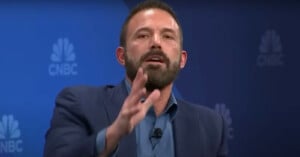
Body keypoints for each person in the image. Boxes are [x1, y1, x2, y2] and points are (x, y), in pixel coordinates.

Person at [43, 0, 228, 157]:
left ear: (182, 59)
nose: (156, 42)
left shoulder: (211, 125)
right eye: (143, 35)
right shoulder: (79, 104)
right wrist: (112, 135)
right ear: (121, 56)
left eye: (167, 36)